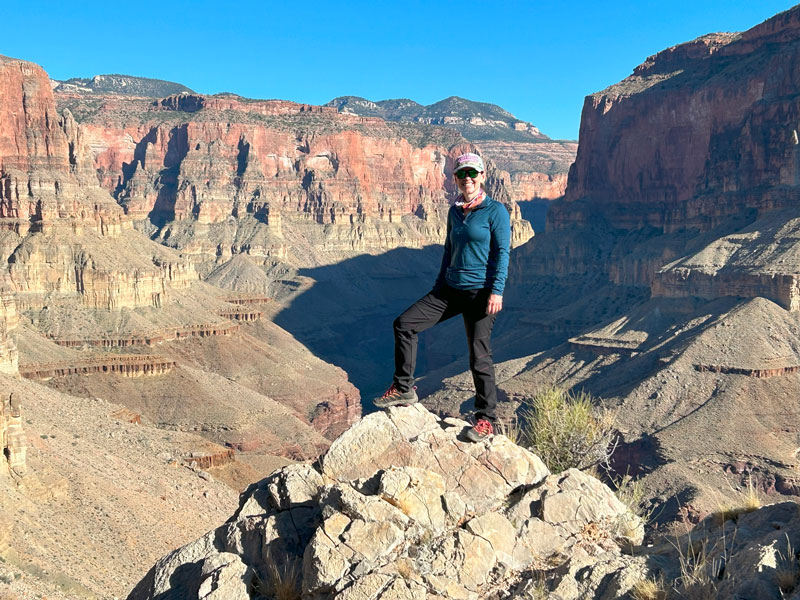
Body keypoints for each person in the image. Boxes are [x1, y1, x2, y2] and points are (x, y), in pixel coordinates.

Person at [374, 152, 511, 442]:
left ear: (483, 176)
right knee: (404, 324)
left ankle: (485, 420)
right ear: (456, 179)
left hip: (480, 294)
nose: (468, 179)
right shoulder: (454, 212)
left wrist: (496, 290)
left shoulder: (495, 211)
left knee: (479, 357)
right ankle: (404, 388)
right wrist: (438, 286)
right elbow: (449, 251)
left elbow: (502, 253)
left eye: (473, 173)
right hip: (449, 290)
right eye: (462, 174)